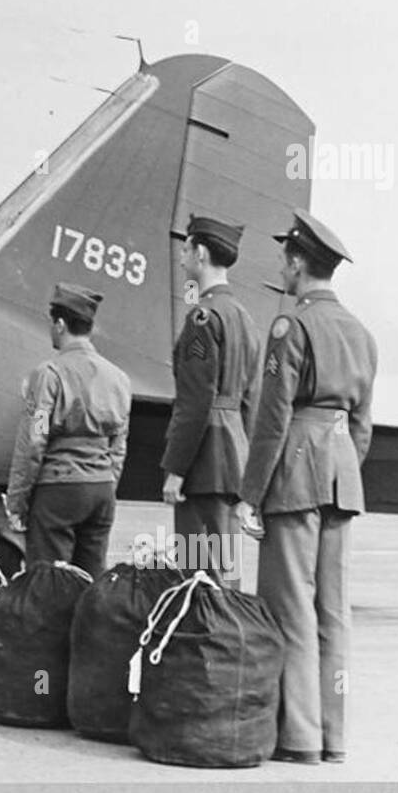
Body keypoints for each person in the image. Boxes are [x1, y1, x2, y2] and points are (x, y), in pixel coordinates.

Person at [235, 208, 378, 766]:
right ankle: (333, 736)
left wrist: (251, 494)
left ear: (297, 262)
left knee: (291, 607)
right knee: (333, 611)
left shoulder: (288, 327)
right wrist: (342, 468)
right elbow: (362, 425)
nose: (283, 269)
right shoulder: (362, 335)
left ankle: (297, 738)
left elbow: (271, 419)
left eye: (285, 260)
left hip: (295, 470)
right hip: (342, 475)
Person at [160, 215, 262, 586]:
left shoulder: (202, 318)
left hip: (204, 465)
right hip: (232, 458)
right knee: (227, 572)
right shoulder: (245, 318)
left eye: (186, 249)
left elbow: (195, 399)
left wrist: (177, 469)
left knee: (196, 577)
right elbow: (252, 400)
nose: (183, 257)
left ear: (201, 253)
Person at [4, 282, 131, 575]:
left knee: (50, 582)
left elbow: (35, 441)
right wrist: (106, 483)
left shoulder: (48, 375)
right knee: (92, 580)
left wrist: (17, 501)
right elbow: (119, 442)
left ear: (60, 324)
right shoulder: (118, 378)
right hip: (100, 490)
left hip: (58, 491)